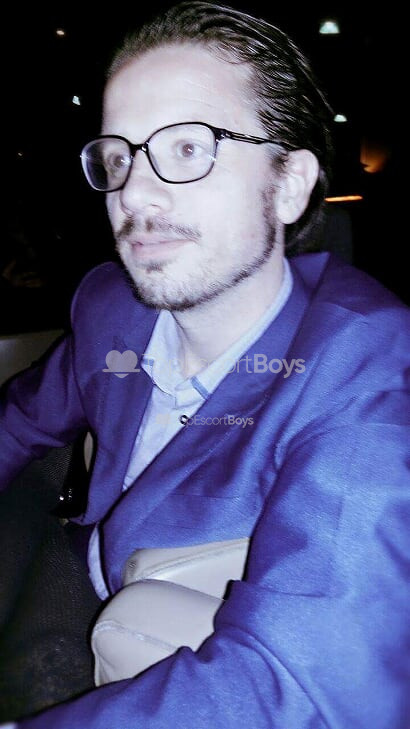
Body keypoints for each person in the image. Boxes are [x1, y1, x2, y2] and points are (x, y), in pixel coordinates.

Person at [0, 2, 409, 727]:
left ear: (289, 185)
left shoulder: (365, 368)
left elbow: (301, 688)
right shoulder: (112, 307)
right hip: (81, 569)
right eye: (120, 156)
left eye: (189, 147)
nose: (134, 192)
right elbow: (23, 422)